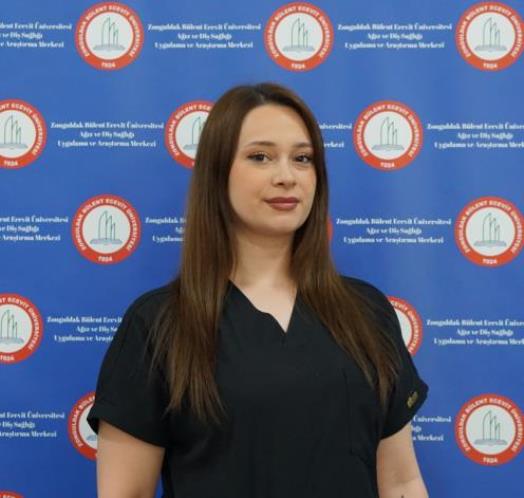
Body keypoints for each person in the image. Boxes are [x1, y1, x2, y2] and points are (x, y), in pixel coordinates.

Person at [87, 82, 429, 498]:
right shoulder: (159, 325)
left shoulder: (367, 312)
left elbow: (400, 481)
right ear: (217, 173)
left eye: (302, 159)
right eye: (260, 157)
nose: (286, 177)